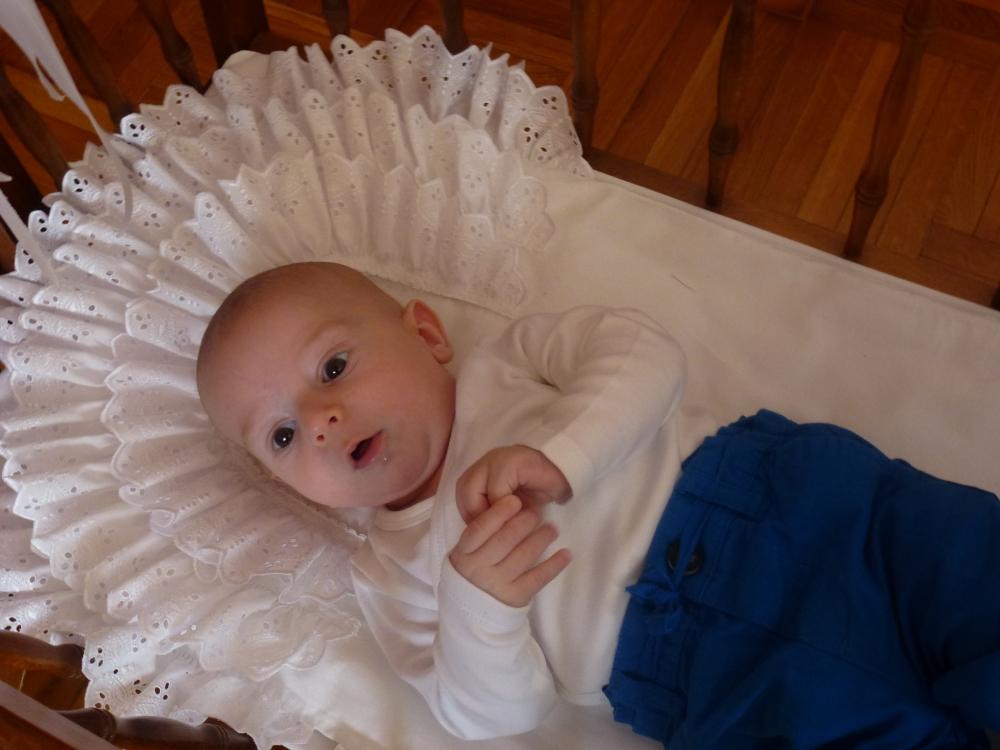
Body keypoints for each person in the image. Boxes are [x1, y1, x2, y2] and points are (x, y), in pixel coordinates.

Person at [197, 261, 1000, 749]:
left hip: (794, 513)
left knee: (966, 570)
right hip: (712, 681)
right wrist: (480, 609)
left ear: (428, 335)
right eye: (282, 435)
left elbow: (645, 355)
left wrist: (563, 454)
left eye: (333, 367)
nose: (323, 420)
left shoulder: (513, 361)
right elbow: (486, 715)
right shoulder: (389, 573)